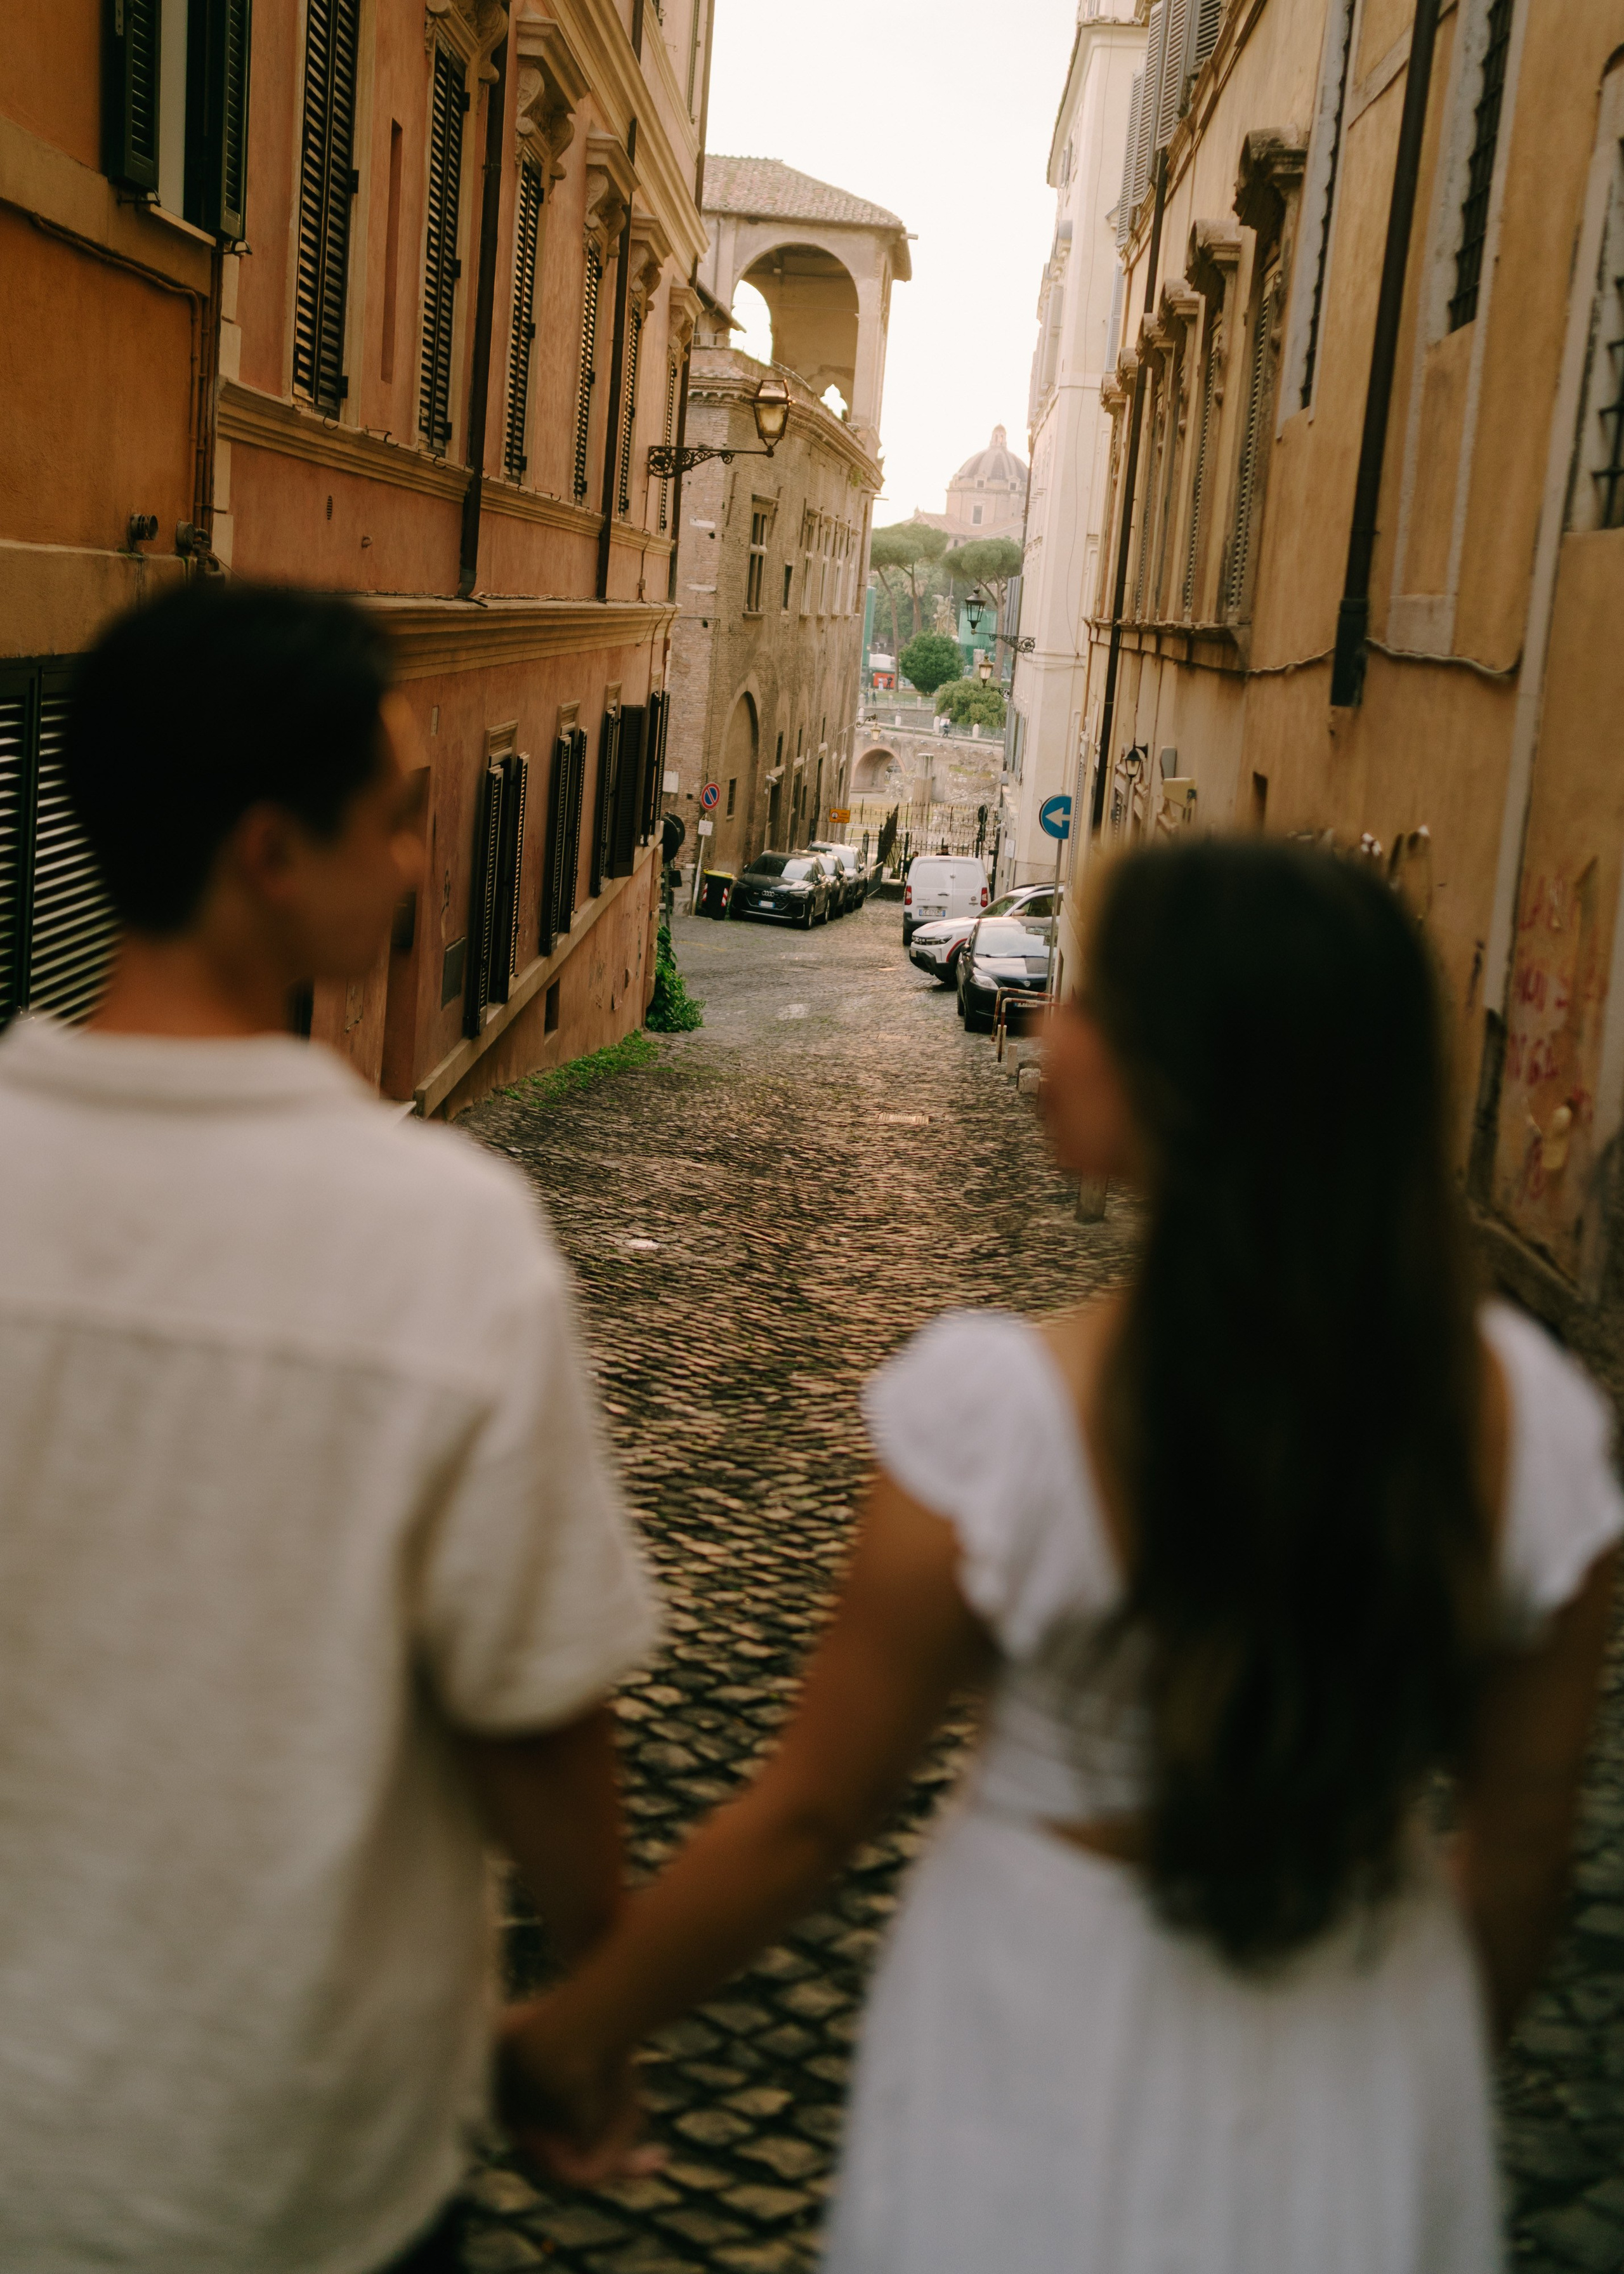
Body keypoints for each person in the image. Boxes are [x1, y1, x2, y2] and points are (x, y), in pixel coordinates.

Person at [501, 838, 1623, 2273]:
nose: (1045, 1019)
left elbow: (808, 1820)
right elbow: (1520, 1859)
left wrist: (567, 2032)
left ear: (1176, 1077)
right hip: (1366, 2051)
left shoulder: (1001, 1418)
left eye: (1087, 996)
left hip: (1037, 2042)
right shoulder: (1534, 1431)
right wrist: (1382, 2086)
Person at [0, 582, 657, 2274]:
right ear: (274, 854)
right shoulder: (440, 1242)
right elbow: (535, 1719)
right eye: (405, 821)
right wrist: (595, 2008)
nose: (430, 864)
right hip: (298, 2165)